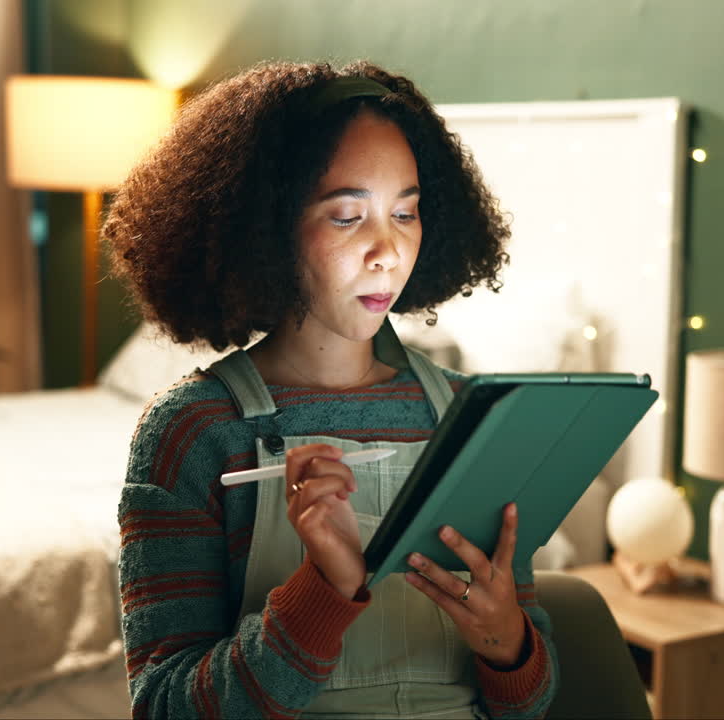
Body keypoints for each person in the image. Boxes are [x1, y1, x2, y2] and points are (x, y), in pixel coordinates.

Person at [103, 60, 558, 719]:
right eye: (348, 216)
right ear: (266, 228)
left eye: (406, 212)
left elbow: (532, 704)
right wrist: (323, 590)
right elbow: (165, 708)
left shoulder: (470, 415)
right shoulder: (194, 431)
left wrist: (507, 643)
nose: (388, 250)